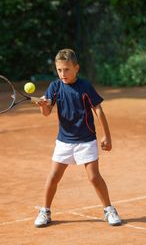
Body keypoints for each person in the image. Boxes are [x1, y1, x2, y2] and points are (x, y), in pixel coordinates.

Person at [35, 48, 122, 227]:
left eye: (67, 69)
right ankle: (45, 211)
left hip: (86, 139)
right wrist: (42, 105)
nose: (63, 74)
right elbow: (46, 112)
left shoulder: (85, 87)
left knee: (93, 177)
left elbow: (98, 109)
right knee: (53, 177)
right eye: (59, 70)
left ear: (76, 68)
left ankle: (109, 210)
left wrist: (107, 136)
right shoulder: (55, 87)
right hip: (64, 141)